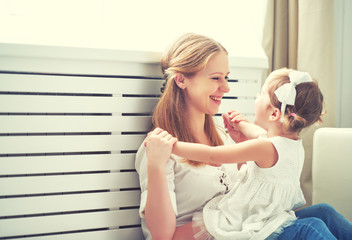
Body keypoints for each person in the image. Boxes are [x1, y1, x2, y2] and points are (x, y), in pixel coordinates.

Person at [136, 33, 352, 240]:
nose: (226, 87)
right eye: (215, 78)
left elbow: (245, 197)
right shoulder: (160, 149)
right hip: (214, 234)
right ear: (181, 80)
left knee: (324, 213)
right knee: (308, 229)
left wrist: (243, 154)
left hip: (244, 229)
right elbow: (162, 237)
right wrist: (155, 165)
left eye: (226, 77)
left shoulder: (221, 137)